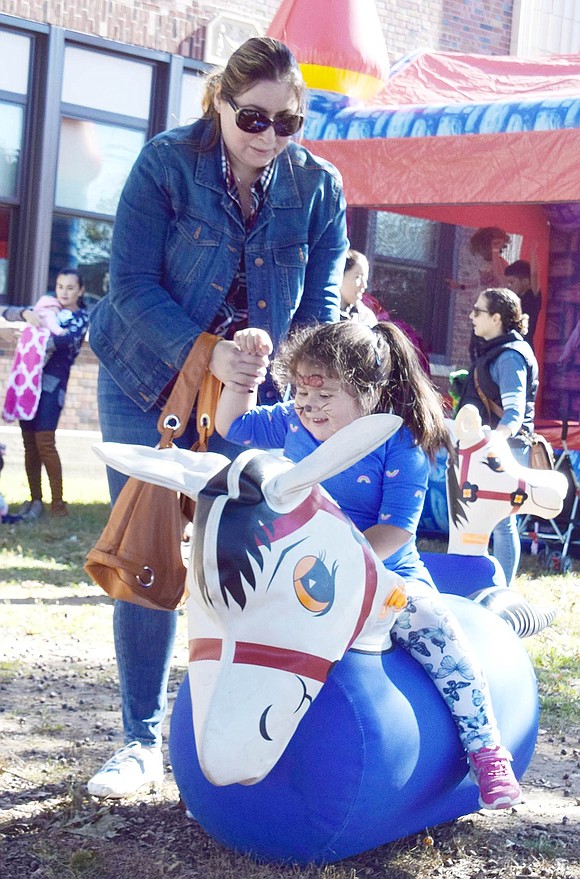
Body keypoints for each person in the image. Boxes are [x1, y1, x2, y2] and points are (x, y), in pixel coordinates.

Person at [86, 36, 348, 798]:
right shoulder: (166, 164)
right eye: (254, 118)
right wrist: (208, 351)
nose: (269, 136)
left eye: (288, 123)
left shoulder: (319, 188)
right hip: (147, 381)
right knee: (151, 551)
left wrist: (304, 382)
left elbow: (321, 312)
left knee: (253, 556)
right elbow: (128, 287)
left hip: (252, 399)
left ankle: (235, 730)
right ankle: (138, 740)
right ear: (220, 102)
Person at [215, 320, 522, 811]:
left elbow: (397, 528)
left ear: (369, 392)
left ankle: (486, 749)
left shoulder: (399, 444)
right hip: (300, 569)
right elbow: (231, 426)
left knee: (435, 630)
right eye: (298, 390)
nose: (307, 404)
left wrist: (342, 566)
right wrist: (240, 381)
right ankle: (230, 748)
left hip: (384, 573)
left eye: (324, 393)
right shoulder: (292, 423)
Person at [457, 287, 538, 586]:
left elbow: (514, 412)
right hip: (492, 447)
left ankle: (501, 591)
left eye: (478, 311)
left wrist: (495, 443)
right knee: (484, 519)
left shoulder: (511, 356)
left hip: (505, 448)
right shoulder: (497, 351)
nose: (471, 316)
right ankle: (484, 585)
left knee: (503, 522)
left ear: (496, 318)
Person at [1, 268, 88, 519]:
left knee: (45, 443)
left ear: (80, 290)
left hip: (53, 387)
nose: (64, 292)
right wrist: (26, 314)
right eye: (60, 286)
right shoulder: (46, 308)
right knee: (29, 444)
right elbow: (8, 312)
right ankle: (35, 501)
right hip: (27, 386)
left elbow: (63, 342)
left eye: (70, 288)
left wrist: (31, 333)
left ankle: (58, 504)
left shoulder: (80, 318)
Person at [504, 251, 542, 351]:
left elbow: (534, 275)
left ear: (525, 281)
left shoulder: (532, 295)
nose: (509, 286)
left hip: (525, 344)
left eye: (511, 282)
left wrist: (533, 251)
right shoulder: (512, 298)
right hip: (510, 344)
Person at [339, 249, 376, 326]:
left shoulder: (366, 318)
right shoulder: (323, 313)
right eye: (358, 277)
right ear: (340, 276)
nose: (364, 285)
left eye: (365, 279)